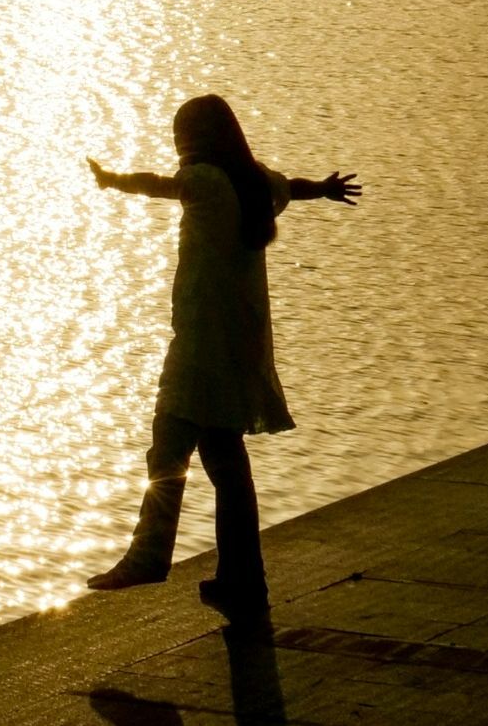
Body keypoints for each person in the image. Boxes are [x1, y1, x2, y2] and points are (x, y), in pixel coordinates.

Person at [83, 94, 359, 633]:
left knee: (169, 439)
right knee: (225, 460)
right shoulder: (255, 182)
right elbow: (292, 187)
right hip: (242, 339)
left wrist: (111, 179)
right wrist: (324, 190)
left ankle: (149, 556)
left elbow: (157, 184)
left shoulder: (206, 182)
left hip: (204, 340)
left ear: (194, 140)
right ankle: (243, 579)